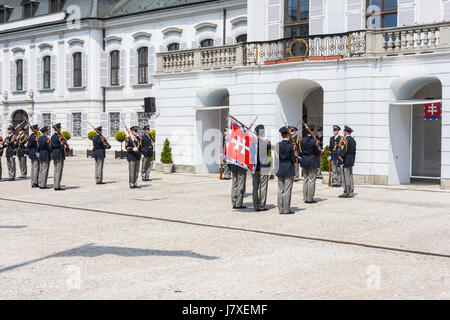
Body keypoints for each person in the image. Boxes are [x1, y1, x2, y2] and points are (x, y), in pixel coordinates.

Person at [275, 126, 296, 214]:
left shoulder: (277, 145)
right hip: (288, 168)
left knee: (280, 190)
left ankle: (280, 209)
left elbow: (276, 158)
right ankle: (286, 209)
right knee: (287, 190)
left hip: (280, 168)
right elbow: (293, 159)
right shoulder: (291, 146)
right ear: (288, 134)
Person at [300, 124, 322, 204]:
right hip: (312, 161)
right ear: (312, 131)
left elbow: (300, 151)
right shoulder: (314, 141)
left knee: (305, 179)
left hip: (304, 160)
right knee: (311, 180)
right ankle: (310, 198)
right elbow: (318, 152)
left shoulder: (302, 140)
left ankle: (305, 197)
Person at [252, 124, 271, 212]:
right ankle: (262, 205)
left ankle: (255, 205)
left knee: (255, 187)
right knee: (263, 187)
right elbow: (268, 153)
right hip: (264, 167)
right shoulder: (266, 142)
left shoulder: (252, 143)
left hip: (255, 167)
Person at [338, 126, 357, 198]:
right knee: (350, 176)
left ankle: (347, 192)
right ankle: (351, 190)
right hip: (351, 159)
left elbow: (343, 152)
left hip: (345, 160)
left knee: (346, 177)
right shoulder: (353, 140)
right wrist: (353, 160)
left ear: (346, 132)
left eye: (344, 132)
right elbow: (354, 152)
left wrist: (340, 161)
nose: (343, 133)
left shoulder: (345, 140)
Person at [51, 123, 68, 191]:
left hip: (54, 154)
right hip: (59, 154)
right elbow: (61, 146)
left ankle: (55, 184)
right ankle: (57, 186)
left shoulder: (52, 136)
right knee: (58, 170)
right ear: (58, 129)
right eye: (60, 128)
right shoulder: (59, 137)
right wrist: (66, 147)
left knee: (55, 170)